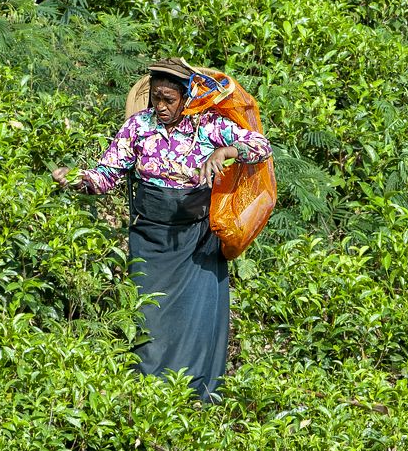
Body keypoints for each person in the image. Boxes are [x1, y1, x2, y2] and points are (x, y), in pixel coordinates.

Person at [52, 59, 272, 402]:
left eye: (169, 99)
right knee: (148, 318)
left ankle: (195, 397)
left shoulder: (207, 125)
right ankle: (147, 396)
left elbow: (261, 147)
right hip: (151, 237)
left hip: (197, 241)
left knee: (194, 322)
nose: (162, 106)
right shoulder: (138, 128)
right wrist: (77, 179)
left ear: (186, 97)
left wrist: (226, 150)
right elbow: (106, 174)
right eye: (156, 98)